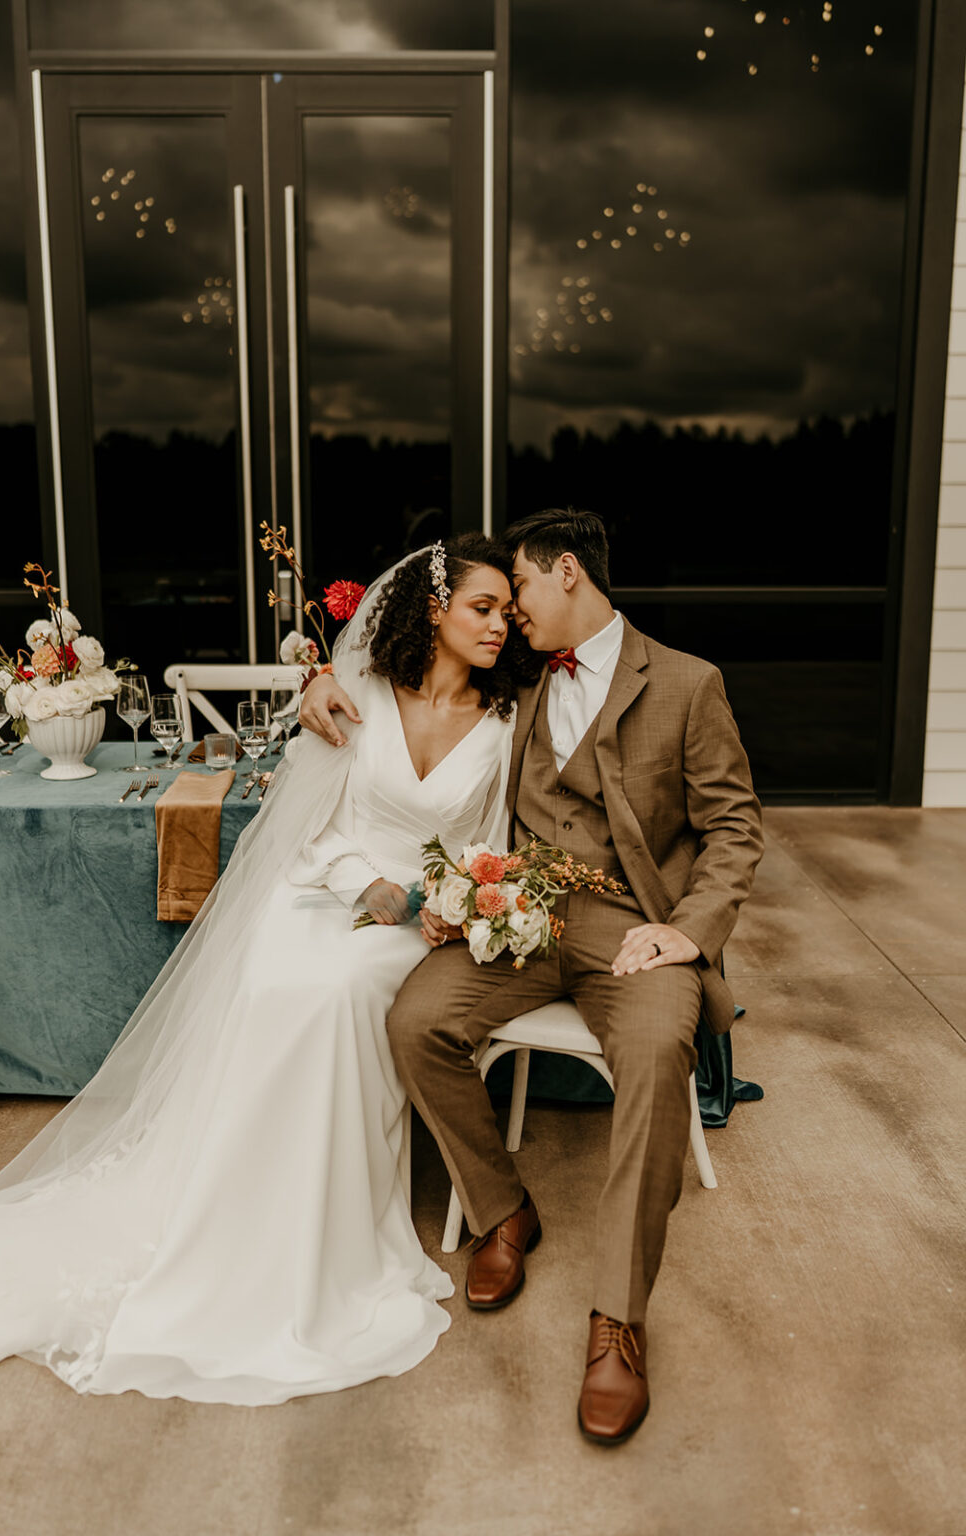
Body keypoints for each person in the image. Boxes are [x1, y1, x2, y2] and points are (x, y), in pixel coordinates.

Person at [0, 534, 525, 1405]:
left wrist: (443, 896)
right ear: (435, 609)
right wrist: (355, 881)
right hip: (325, 884)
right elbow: (312, 824)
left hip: (419, 917)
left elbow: (491, 841)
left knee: (333, 991)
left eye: (508, 615)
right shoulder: (358, 694)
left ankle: (317, 1233)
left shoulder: (507, 722)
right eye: (484, 608)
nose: (499, 627)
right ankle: (231, 1204)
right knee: (276, 976)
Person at [299, 508, 764, 1444]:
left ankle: (618, 1322)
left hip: (638, 932)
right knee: (415, 1021)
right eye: (494, 606)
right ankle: (502, 1208)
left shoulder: (686, 683)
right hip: (524, 915)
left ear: (565, 576)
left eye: (519, 597)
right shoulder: (518, 681)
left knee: (654, 1056)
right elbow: (405, 679)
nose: (508, 619)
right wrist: (313, 674)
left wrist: (689, 931)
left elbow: (735, 828)